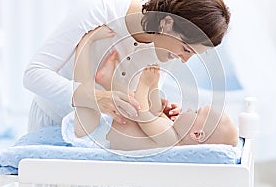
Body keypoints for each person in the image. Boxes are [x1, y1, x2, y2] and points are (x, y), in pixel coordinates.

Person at [23, 0, 230, 187]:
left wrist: (156, 106)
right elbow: (33, 75)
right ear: (167, 23)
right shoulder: (99, 10)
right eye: (186, 50)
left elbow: (136, 101)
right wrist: (96, 98)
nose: (184, 60)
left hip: (110, 137)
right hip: (57, 121)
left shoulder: (167, 45)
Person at [66, 48, 238, 150]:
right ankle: (107, 80)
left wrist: (145, 83)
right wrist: (154, 87)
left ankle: (87, 50)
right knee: (132, 102)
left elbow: (141, 114)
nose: (190, 109)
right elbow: (153, 112)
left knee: (132, 105)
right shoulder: (172, 132)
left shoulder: (171, 141)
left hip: (98, 135)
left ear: (196, 134)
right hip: (111, 124)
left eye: (196, 112)